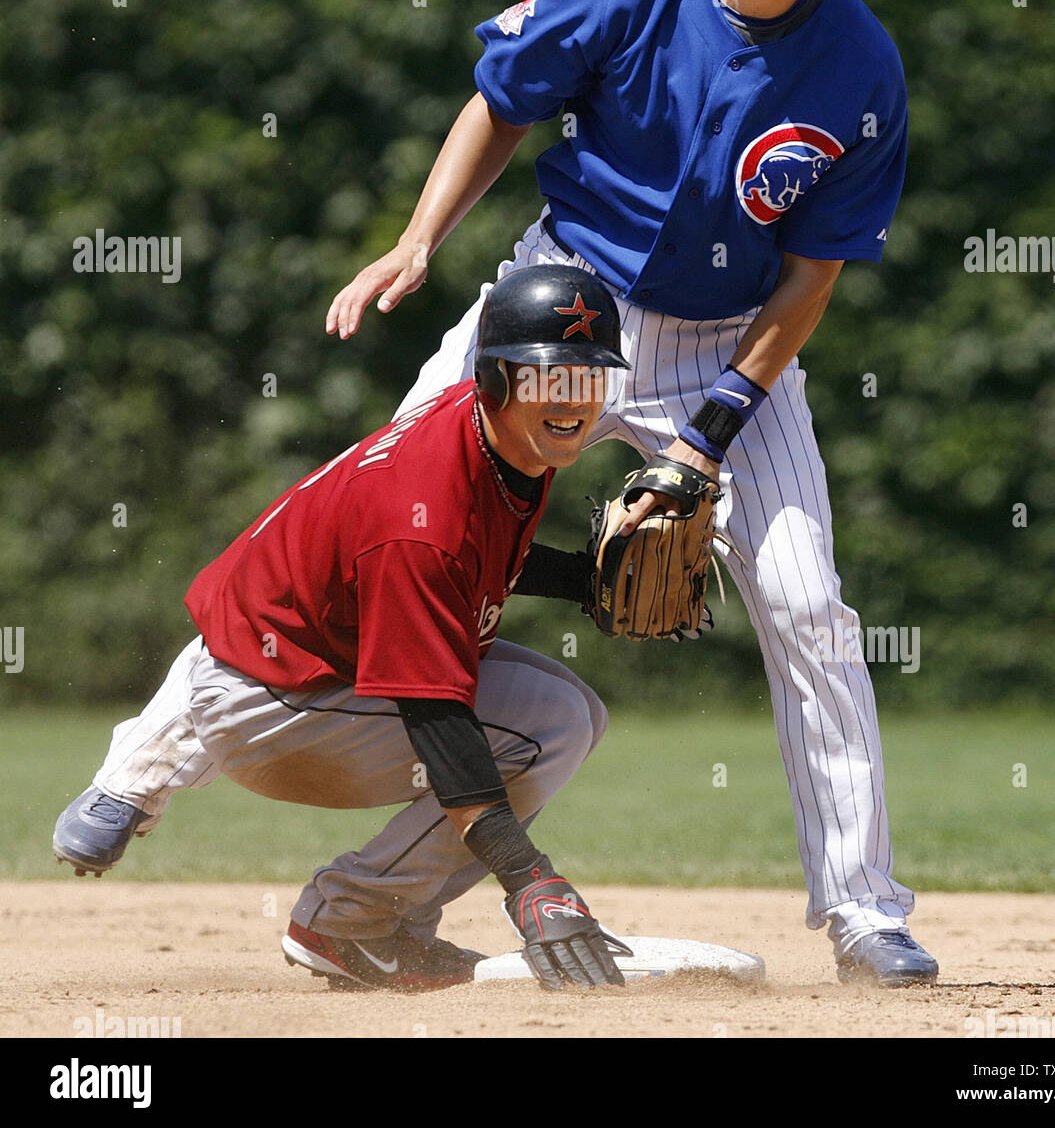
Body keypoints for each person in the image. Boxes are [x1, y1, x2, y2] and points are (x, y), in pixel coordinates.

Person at [56, 0, 937, 987]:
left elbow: (812, 273)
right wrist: (421, 240)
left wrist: (709, 435)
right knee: (378, 491)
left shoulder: (861, 68)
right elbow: (501, 102)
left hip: (734, 342)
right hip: (560, 299)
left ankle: (863, 911)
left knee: (808, 606)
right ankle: (142, 758)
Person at [54, 266, 634, 992]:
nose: (571, 399)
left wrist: (581, 580)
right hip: (270, 705)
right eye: (550, 376)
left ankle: (391, 930)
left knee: (572, 711)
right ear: (494, 378)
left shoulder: (497, 433)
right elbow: (438, 719)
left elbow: (472, 555)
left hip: (305, 664)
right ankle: (350, 922)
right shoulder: (421, 518)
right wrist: (529, 881)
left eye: (588, 378)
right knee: (543, 732)